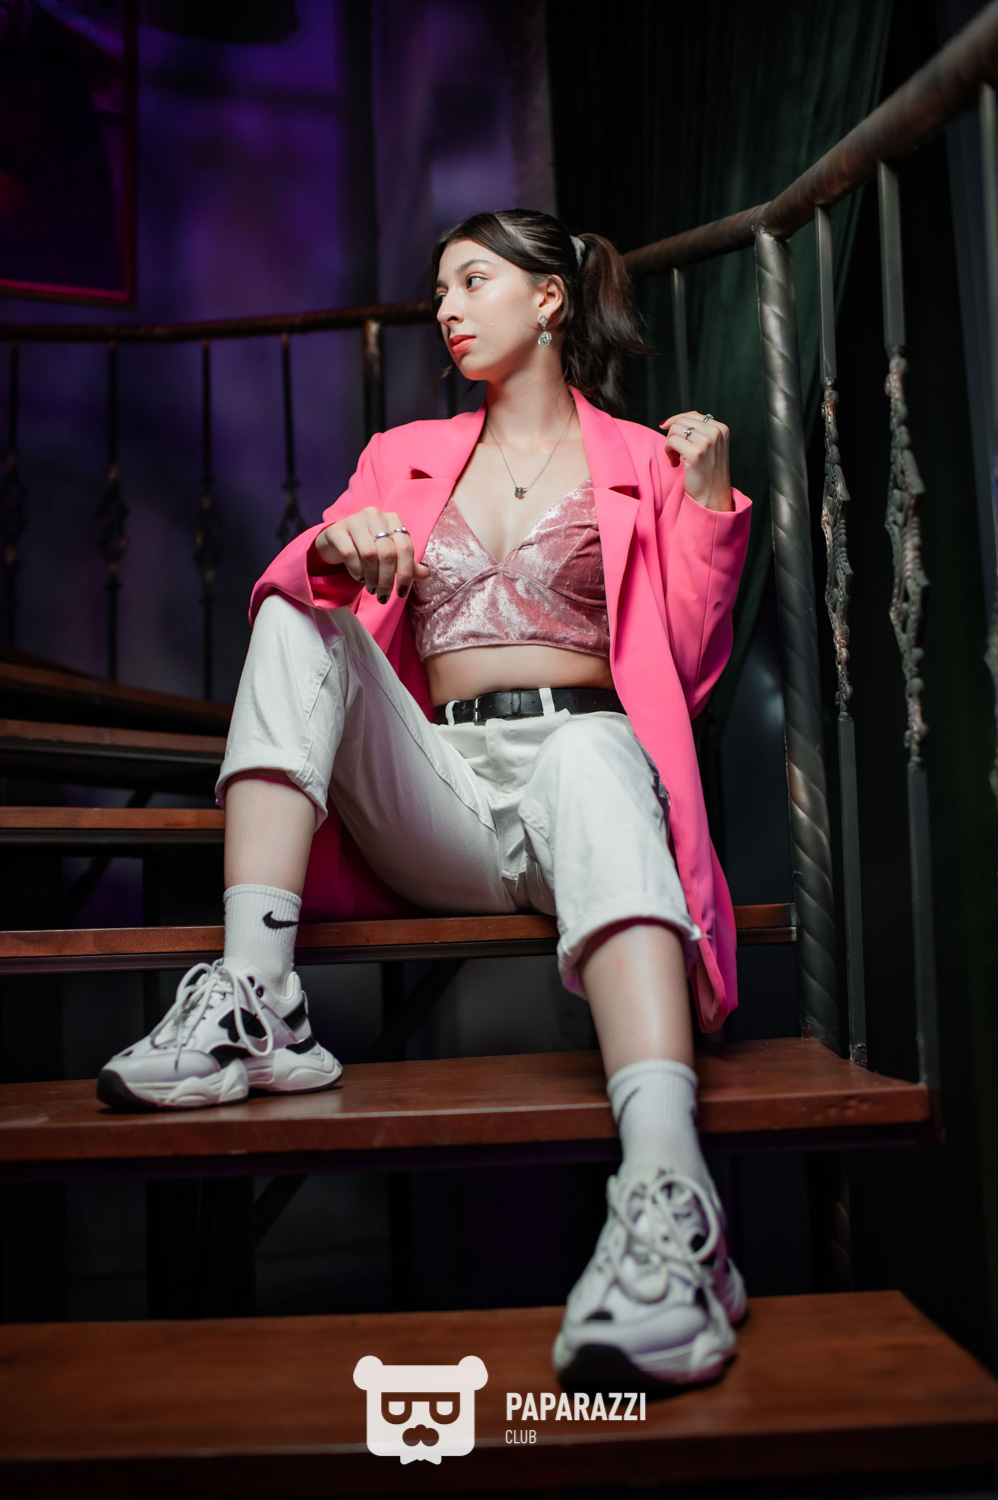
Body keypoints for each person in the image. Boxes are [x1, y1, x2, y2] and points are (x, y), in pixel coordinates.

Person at [97, 209, 752, 1391]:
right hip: (436, 790)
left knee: (593, 751)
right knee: (300, 608)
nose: (446, 309)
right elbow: (313, 594)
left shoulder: (642, 460)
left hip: (580, 790)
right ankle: (258, 996)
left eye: (472, 281)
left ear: (547, 298)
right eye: (438, 290)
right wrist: (332, 549)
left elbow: (689, 675)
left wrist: (703, 511)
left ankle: (668, 1196)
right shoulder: (402, 451)